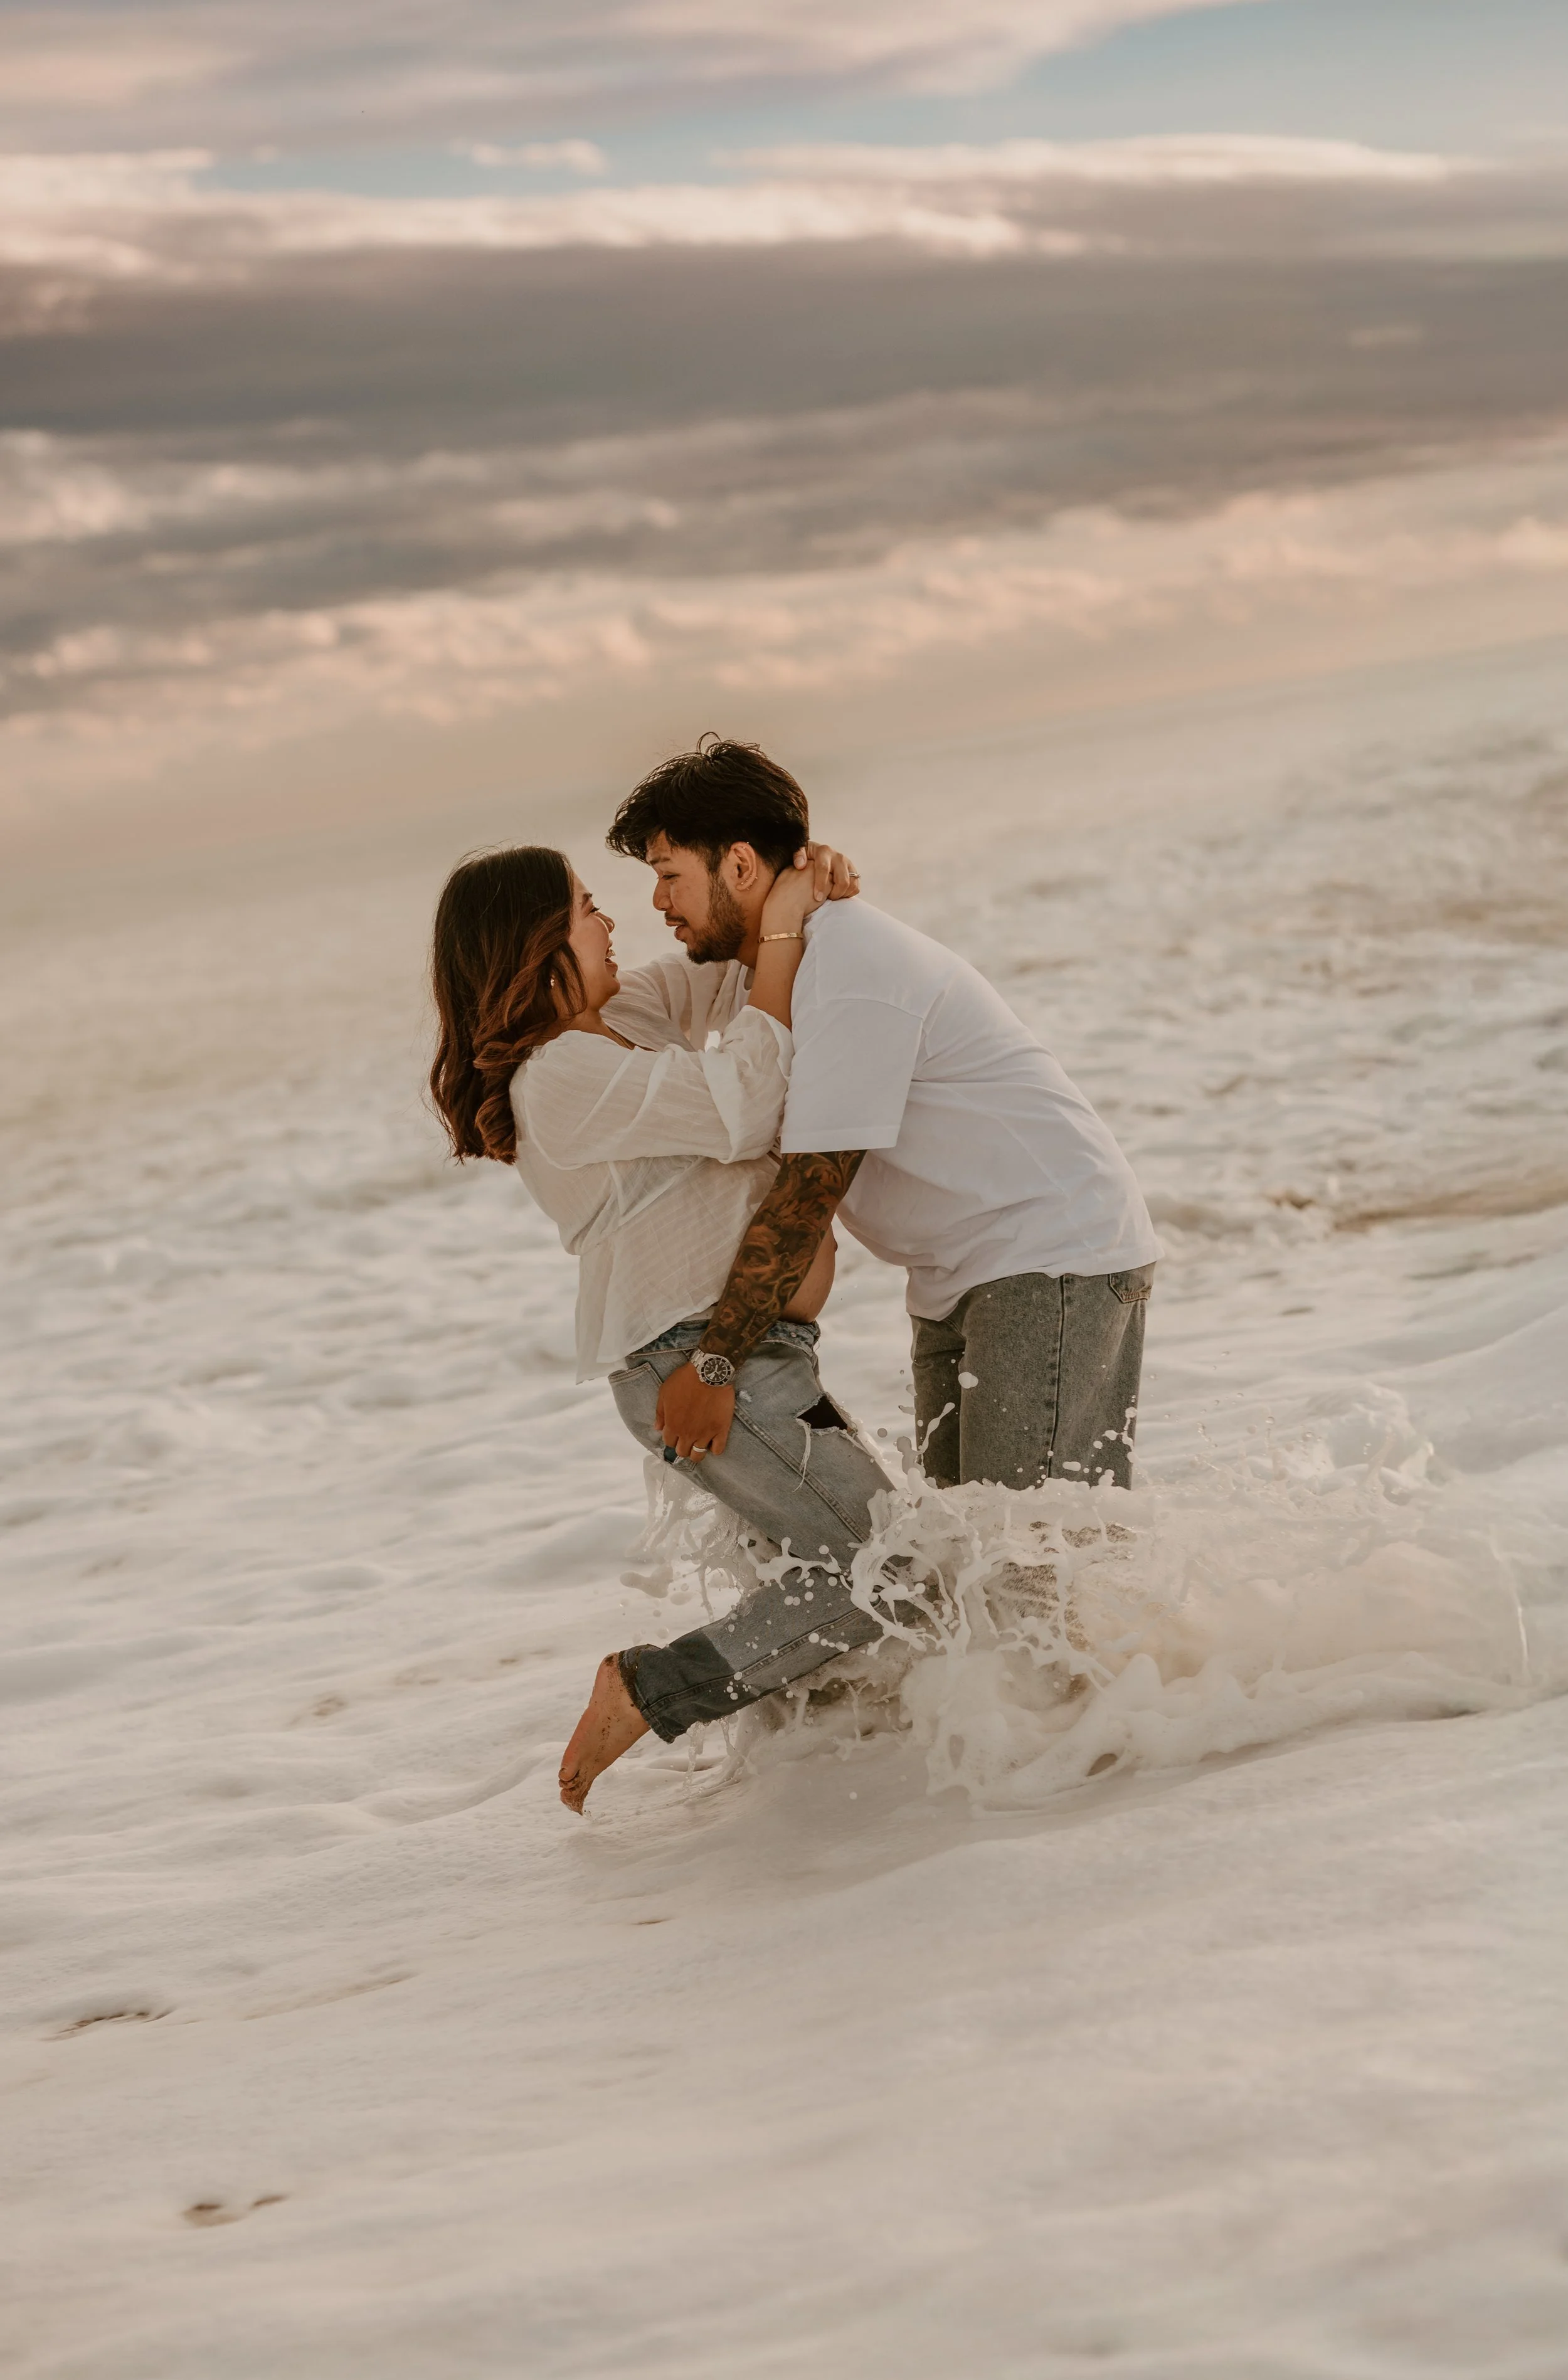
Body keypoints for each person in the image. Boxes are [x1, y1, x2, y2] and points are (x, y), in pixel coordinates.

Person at [428, 840, 896, 1815]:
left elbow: (730, 981)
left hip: (741, 1355)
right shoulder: (557, 1075)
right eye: (586, 908)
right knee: (885, 1563)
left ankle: (832, 1772)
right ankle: (653, 1689)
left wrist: (799, 898)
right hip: (699, 1363)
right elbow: (750, 1097)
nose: (609, 922)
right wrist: (778, 927)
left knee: (844, 1574)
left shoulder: (613, 1029)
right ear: (534, 948)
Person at [605, 736, 1161, 1503]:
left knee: (1025, 1561)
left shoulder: (847, 968)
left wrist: (714, 1366)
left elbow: (806, 1195)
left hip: (1047, 1256)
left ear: (738, 866)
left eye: (669, 877)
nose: (659, 903)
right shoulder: (768, 969)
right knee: (970, 1564)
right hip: (957, 1278)